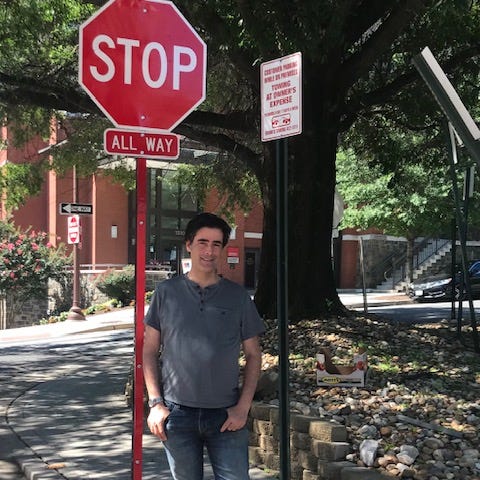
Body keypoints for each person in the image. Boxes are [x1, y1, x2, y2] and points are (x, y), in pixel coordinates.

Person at [143, 212, 265, 480]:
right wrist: (155, 403)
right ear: (188, 244)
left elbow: (254, 355)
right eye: (202, 242)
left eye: (216, 244)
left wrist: (243, 407)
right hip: (177, 416)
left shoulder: (237, 296)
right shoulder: (166, 293)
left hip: (226, 415)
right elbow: (149, 351)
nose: (209, 251)